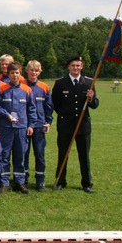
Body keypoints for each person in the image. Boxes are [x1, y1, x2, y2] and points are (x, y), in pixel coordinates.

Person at [52, 55, 99, 194]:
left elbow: (95, 104)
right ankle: (60, 181)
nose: (76, 68)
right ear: (69, 67)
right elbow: (55, 104)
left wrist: (91, 98)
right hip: (66, 125)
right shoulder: (60, 83)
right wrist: (66, 115)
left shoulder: (89, 82)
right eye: (73, 65)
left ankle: (87, 183)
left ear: (82, 67)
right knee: (63, 154)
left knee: (84, 156)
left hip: (83, 126)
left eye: (78, 65)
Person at [0, 62, 37, 194]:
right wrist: (6, 115)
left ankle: (20, 182)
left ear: (20, 74)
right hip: (6, 128)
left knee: (20, 156)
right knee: (5, 155)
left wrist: (31, 125)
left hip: (21, 128)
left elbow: (31, 109)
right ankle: (4, 182)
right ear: (8, 73)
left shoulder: (27, 90)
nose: (14, 75)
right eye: (12, 73)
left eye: (17, 72)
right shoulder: (1, 89)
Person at [24, 60, 54, 191]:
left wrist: (49, 122)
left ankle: (40, 180)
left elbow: (49, 107)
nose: (34, 73)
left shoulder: (44, 87)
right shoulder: (21, 85)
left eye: (36, 70)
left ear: (40, 72)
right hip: (24, 125)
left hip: (40, 125)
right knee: (24, 154)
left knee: (39, 154)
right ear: (27, 71)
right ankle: (23, 179)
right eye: (31, 70)